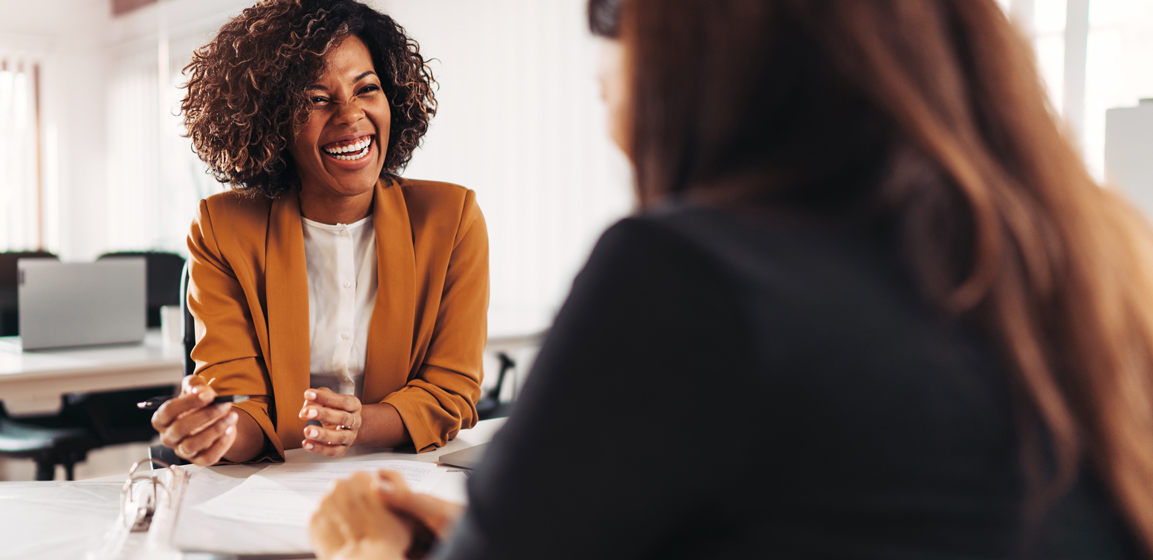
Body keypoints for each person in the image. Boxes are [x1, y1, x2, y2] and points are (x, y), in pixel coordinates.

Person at [307, 0, 1153, 558]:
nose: (598, 43)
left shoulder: (687, 280)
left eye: (608, 12)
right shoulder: (1095, 264)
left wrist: (364, 547)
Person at [149, 0, 489, 466]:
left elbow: (452, 391)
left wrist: (360, 424)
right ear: (272, 122)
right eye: (315, 98)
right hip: (274, 485)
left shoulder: (451, 220)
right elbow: (241, 402)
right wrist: (219, 430)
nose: (350, 115)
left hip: (404, 476)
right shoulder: (223, 229)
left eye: (366, 89)